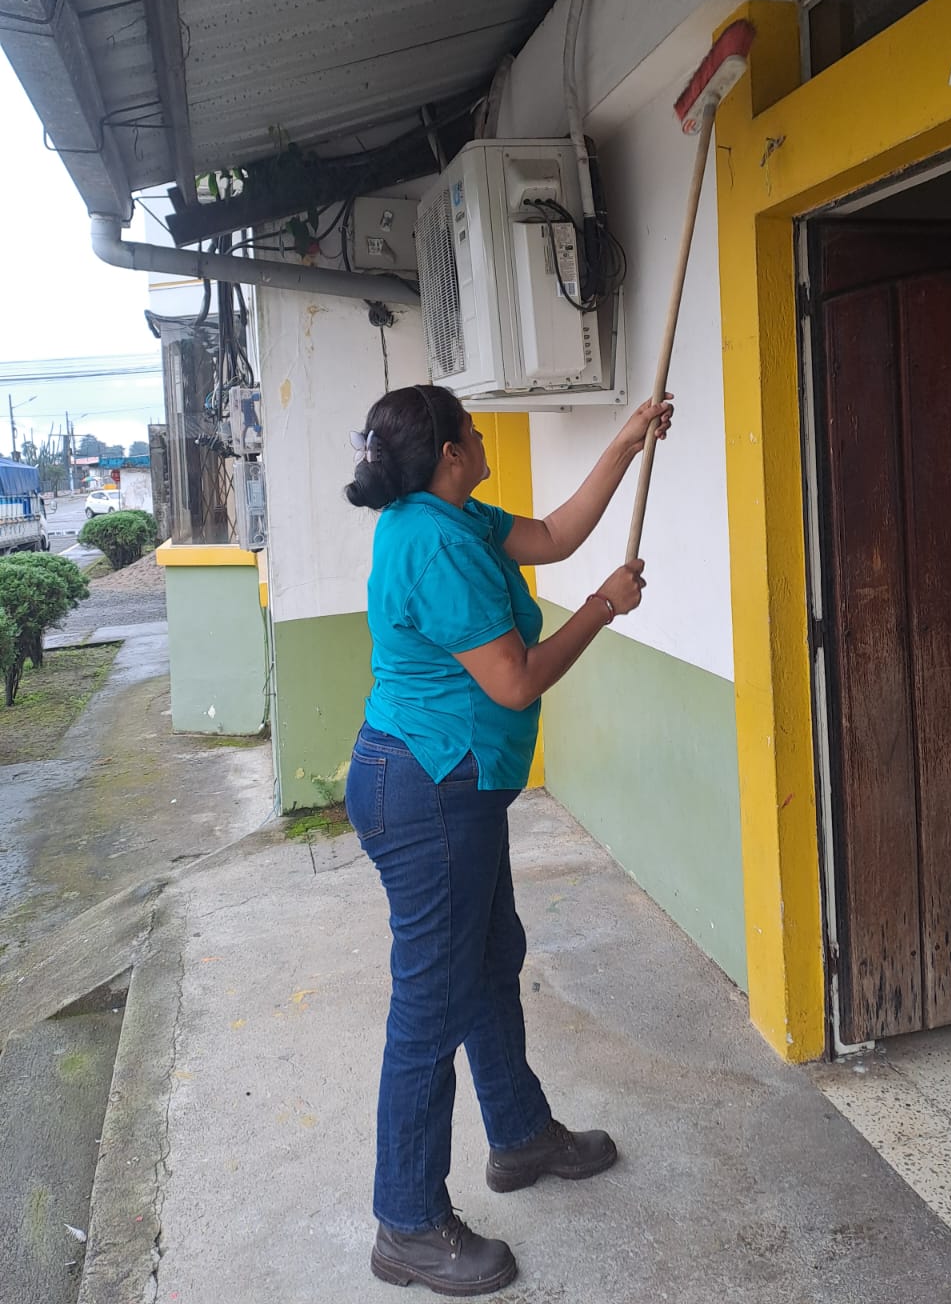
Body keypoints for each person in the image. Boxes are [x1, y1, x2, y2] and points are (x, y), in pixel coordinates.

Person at [344, 383, 673, 1297]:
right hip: (427, 789)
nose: (483, 437)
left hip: (446, 782)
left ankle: (521, 1135)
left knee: (490, 961)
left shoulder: (450, 514)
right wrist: (602, 608)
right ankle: (406, 1222)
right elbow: (515, 682)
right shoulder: (433, 545)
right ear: (450, 453)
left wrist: (628, 441)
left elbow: (557, 534)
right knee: (432, 1005)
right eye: (473, 430)